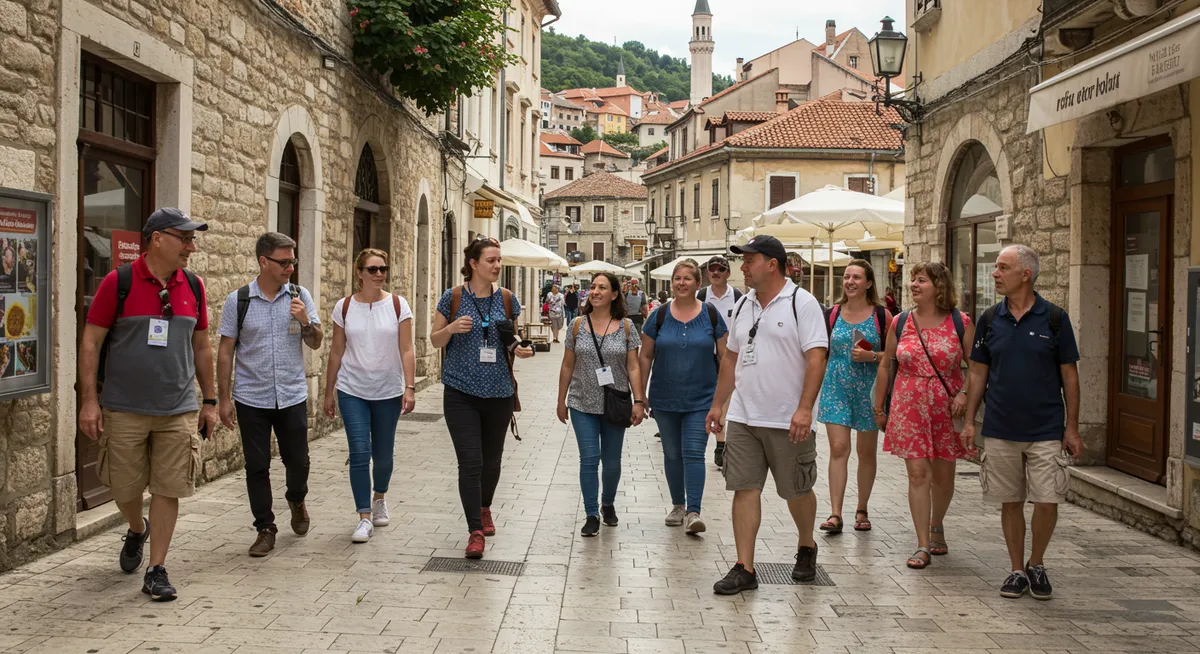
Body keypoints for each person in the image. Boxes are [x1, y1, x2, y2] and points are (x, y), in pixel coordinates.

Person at [78, 207, 217, 602]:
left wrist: (209, 400)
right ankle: (137, 528)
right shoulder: (118, 282)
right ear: (157, 239)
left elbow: (202, 346)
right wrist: (89, 401)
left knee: (168, 487)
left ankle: (156, 569)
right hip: (124, 407)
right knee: (123, 486)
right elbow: (91, 342)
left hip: (178, 408)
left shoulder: (193, 285)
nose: (191, 247)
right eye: (184, 238)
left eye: (192, 239)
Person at [706, 235, 828, 595]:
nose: (743, 267)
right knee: (744, 488)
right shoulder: (743, 304)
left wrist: (804, 409)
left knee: (796, 491)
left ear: (772, 264)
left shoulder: (802, 303)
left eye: (750, 260)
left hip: (787, 418)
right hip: (745, 415)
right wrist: (718, 404)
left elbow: (816, 359)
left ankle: (806, 544)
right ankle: (744, 567)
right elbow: (731, 358)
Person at [961, 245, 1080, 601]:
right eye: (996, 267)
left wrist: (1072, 428)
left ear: (1026, 274)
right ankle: (1016, 569)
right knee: (1010, 500)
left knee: (1048, 499)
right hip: (1000, 426)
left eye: (1003, 267)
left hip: (1046, 426)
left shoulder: (1054, 318)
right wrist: (970, 421)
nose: (995, 273)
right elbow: (978, 373)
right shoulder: (989, 319)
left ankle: (1036, 563)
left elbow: (1070, 375)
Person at [217, 232, 322, 557]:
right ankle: (265, 528)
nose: (291, 267)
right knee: (257, 465)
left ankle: (296, 498)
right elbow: (225, 351)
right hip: (252, 398)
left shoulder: (300, 295)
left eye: (293, 261)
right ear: (264, 261)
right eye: (284, 262)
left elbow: (316, 341)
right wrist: (223, 399)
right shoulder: (239, 300)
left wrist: (305, 321)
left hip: (291, 395)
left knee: (298, 461)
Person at [433, 237, 533, 558]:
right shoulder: (453, 297)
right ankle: (475, 530)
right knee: (470, 462)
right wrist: (451, 329)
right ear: (474, 264)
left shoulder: (506, 298)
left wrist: (520, 347)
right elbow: (434, 340)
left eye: (499, 260)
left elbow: (510, 337)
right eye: (491, 260)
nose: (497, 265)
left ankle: (485, 506)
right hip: (460, 392)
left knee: (491, 462)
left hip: (499, 392)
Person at [873, 262, 974, 570]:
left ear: (939, 286)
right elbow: (886, 364)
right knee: (918, 474)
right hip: (908, 405)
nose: (914, 285)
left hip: (946, 407)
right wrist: (879, 407)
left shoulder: (960, 322)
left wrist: (964, 393)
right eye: (913, 280)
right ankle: (922, 544)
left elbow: (977, 367)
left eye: (921, 280)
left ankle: (936, 523)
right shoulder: (901, 321)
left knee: (943, 477)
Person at [323, 249, 417, 544]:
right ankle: (364, 517)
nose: (379, 274)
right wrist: (328, 392)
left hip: (388, 390)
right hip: (352, 389)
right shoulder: (344, 307)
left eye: (383, 269)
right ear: (359, 272)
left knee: (384, 457)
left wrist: (410, 386)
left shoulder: (399, 305)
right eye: (373, 269)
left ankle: (380, 497)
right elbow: (336, 351)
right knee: (360, 453)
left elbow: (407, 349)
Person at [640, 259, 728, 535]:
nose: (681, 283)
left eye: (687, 278)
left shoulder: (711, 315)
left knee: (693, 453)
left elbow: (725, 358)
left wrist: (721, 400)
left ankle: (694, 511)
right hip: (664, 398)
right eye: (677, 278)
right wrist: (640, 395)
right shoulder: (658, 316)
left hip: (701, 398)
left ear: (698, 283)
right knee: (672, 454)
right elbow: (645, 356)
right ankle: (678, 505)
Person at [557, 272, 646, 536]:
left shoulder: (626, 327)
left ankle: (607, 503)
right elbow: (567, 365)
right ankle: (591, 513)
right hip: (582, 401)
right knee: (589, 459)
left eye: (602, 288)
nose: (595, 291)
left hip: (615, 401)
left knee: (611, 460)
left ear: (614, 294)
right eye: (593, 287)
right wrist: (561, 400)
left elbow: (633, 367)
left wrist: (638, 401)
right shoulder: (576, 325)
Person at [817, 260, 890, 535]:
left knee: (865, 452)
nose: (850, 282)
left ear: (869, 283)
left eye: (857, 277)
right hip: (835, 387)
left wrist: (872, 356)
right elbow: (821, 353)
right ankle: (835, 513)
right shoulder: (832, 314)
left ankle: (862, 508)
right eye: (847, 277)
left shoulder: (882, 316)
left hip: (869, 389)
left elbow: (893, 355)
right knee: (838, 449)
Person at [698, 255, 744, 468]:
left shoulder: (738, 297)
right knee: (707, 398)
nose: (715, 272)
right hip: (704, 356)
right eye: (712, 269)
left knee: (725, 399)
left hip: (730, 356)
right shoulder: (700, 296)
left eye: (720, 269)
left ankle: (720, 443)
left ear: (728, 273)